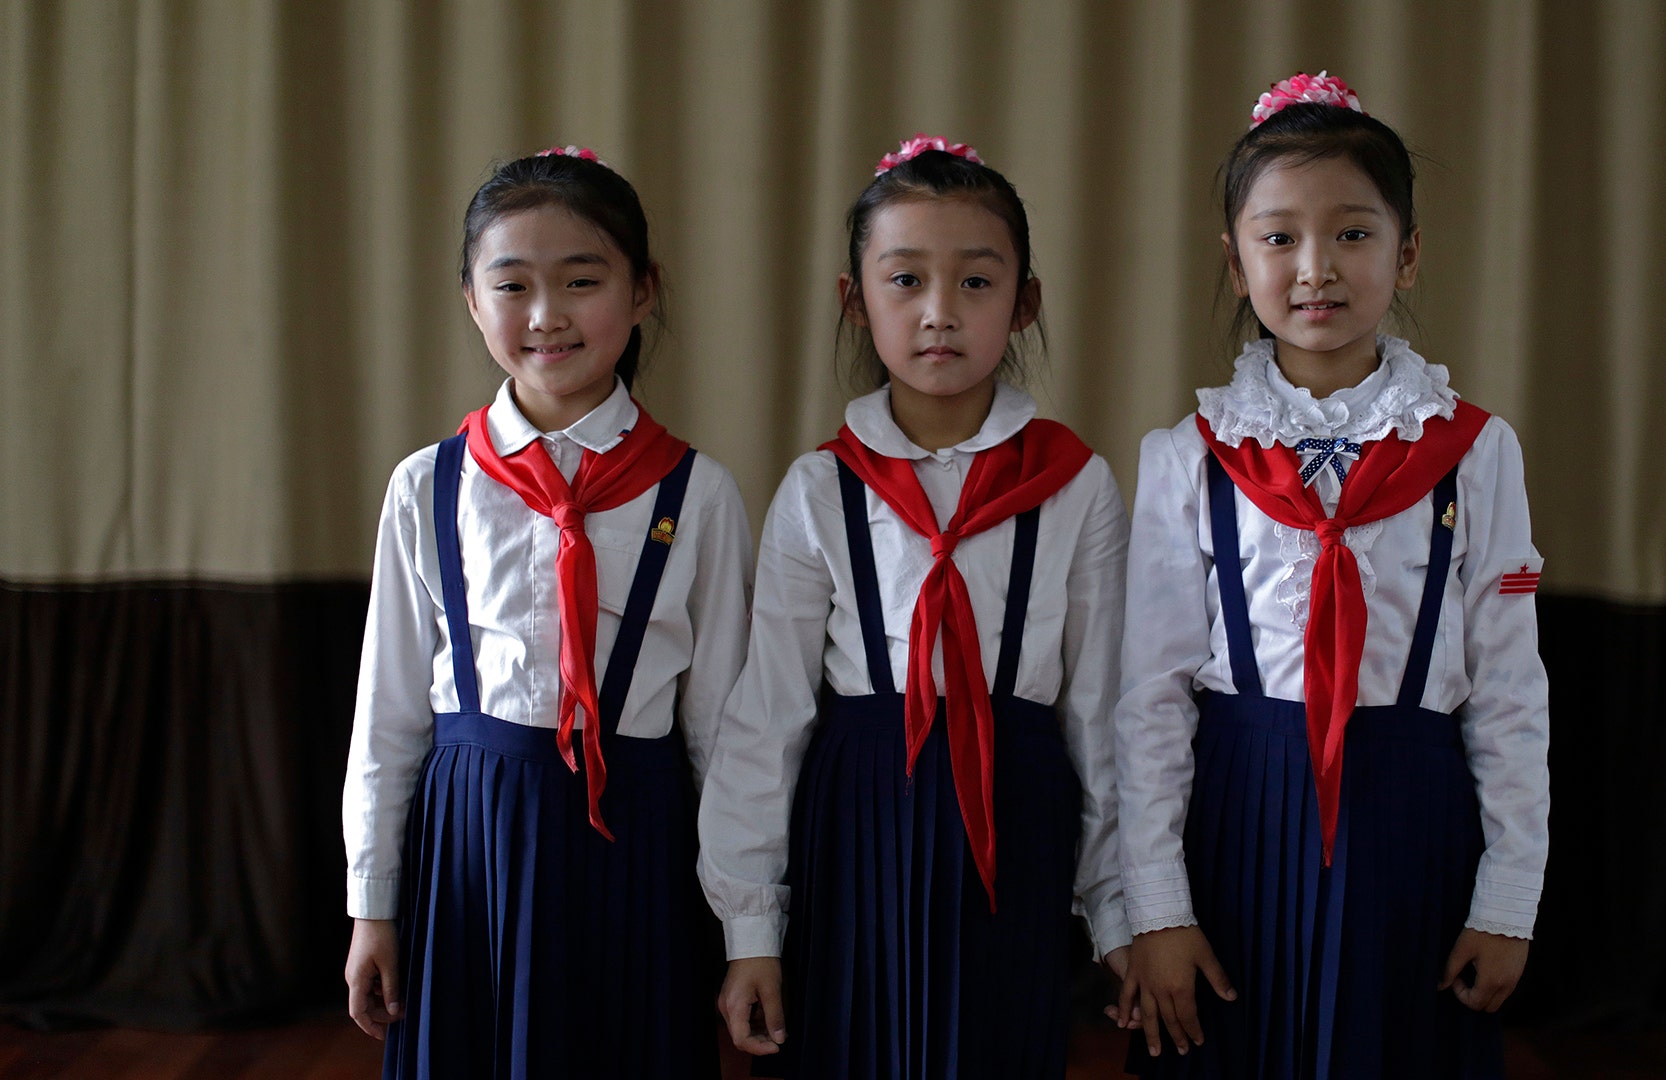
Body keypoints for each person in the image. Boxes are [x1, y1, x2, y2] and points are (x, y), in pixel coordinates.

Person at [1114, 73, 1550, 1078]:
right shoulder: (1189, 456)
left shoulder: (1479, 451)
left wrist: (1508, 899)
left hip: (1413, 823)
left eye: (1353, 234)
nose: (1316, 268)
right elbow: (1149, 701)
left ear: (1407, 256)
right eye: (1279, 239)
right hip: (1238, 814)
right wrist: (1158, 908)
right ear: (1234, 264)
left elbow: (1511, 687)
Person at [699, 134, 1133, 1079]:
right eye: (905, 281)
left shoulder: (1078, 484)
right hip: (859, 811)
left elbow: (1100, 709)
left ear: (1026, 303)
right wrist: (750, 928)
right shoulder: (820, 489)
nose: (940, 313)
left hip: (1014, 813)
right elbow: (766, 713)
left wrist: (1119, 909)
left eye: (976, 283)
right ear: (857, 300)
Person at [340, 146, 751, 1077]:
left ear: (644, 292)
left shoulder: (699, 492)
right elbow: (389, 717)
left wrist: (746, 926)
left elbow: (725, 732)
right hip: (468, 844)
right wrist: (374, 903)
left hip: (637, 841)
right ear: (471, 301)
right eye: (512, 284)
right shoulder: (429, 487)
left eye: (581, 280)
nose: (546, 315)